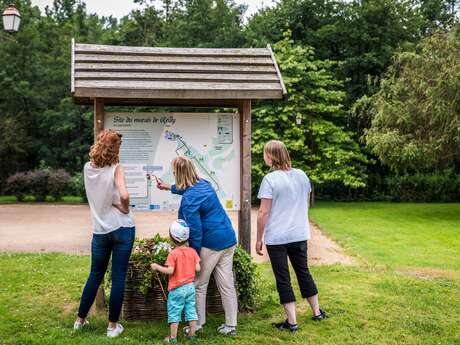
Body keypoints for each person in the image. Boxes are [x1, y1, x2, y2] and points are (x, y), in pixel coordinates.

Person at [157, 156, 238, 336]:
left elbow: (195, 230)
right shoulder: (204, 183)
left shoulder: (189, 200)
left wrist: (194, 255)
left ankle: (199, 323)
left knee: (199, 284)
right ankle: (231, 325)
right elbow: (188, 188)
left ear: (178, 174)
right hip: (228, 238)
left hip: (211, 243)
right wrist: (168, 187)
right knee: (226, 283)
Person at [256, 140, 327, 332]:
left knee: (283, 278)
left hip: (277, 237)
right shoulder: (302, 175)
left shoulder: (269, 180)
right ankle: (317, 312)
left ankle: (292, 322)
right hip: (299, 233)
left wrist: (258, 238)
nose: (264, 157)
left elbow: (263, 213)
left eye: (265, 154)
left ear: (271, 156)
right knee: (304, 272)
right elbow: (303, 202)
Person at [74, 129, 135, 338]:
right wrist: (124, 207)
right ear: (114, 147)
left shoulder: (87, 168)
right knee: (118, 277)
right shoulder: (116, 168)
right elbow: (125, 194)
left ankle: (80, 320)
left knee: (95, 274)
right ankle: (112, 327)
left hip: (99, 231)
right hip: (122, 228)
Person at [151, 219, 201, 344]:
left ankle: (173, 338)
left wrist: (157, 266)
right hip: (190, 287)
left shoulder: (173, 254)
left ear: (172, 237)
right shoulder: (193, 252)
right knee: (191, 310)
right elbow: (198, 268)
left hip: (177, 288)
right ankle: (192, 335)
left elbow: (170, 271)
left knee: (174, 312)